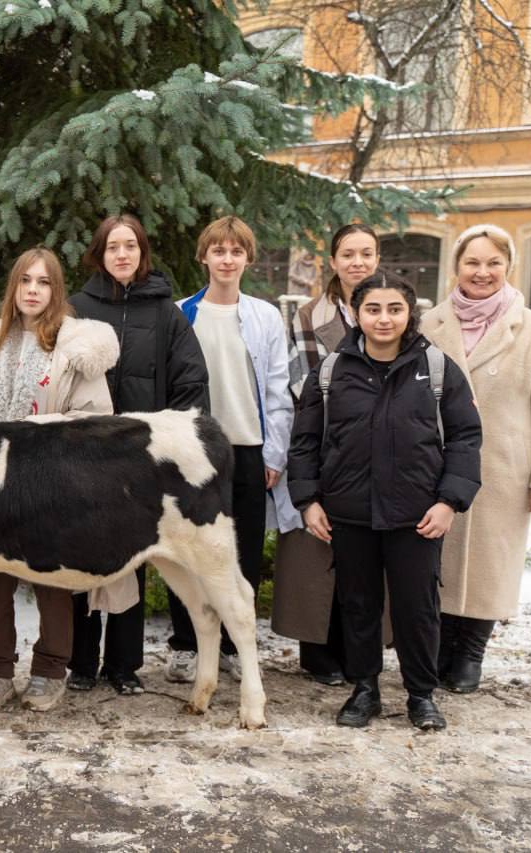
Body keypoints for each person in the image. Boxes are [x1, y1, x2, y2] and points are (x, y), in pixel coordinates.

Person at [288, 273, 482, 731]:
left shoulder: (437, 368)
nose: (384, 319)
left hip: (418, 514)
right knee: (358, 604)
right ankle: (364, 690)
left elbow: (465, 437)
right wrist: (308, 500)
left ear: (409, 314)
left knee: (417, 608)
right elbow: (305, 441)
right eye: (373, 309)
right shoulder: (331, 372)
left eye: (395, 309)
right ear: (356, 314)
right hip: (349, 511)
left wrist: (449, 502)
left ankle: (421, 695)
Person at [0, 247, 119, 713]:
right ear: (13, 287)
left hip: (51, 485)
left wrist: (36, 431)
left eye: (43, 282)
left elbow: (95, 421)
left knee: (52, 580)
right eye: (25, 281)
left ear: (56, 290)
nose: (33, 290)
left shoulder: (75, 348)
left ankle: (50, 669)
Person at [420, 224, 531, 693]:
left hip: (504, 466)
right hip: (437, 464)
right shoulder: (429, 325)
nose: (482, 272)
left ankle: (471, 652)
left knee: (491, 562)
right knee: (438, 557)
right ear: (456, 266)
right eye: (472, 262)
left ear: (509, 266)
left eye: (493, 262)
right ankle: (439, 647)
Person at [65, 213, 211, 695]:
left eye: (130, 246)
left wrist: (172, 445)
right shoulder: (77, 308)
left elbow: (191, 381)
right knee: (84, 554)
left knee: (136, 554)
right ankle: (81, 662)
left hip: (144, 458)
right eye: (113, 247)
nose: (122, 254)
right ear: (99, 254)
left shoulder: (166, 313)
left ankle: (123, 665)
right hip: (87, 455)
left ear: (142, 252)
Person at [170, 216, 295, 682]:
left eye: (236, 251)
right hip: (195, 450)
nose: (227, 259)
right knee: (188, 548)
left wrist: (274, 454)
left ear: (247, 258)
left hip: (247, 449)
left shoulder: (265, 316)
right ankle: (186, 644)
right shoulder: (181, 313)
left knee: (241, 552)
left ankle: (232, 644)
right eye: (218, 250)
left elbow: (278, 389)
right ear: (203, 256)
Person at [272, 223, 382, 685]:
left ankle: (359, 648)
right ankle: (317, 649)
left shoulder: (391, 308)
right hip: (322, 441)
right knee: (316, 547)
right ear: (333, 262)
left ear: (377, 258)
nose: (358, 262)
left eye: (366, 253)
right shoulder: (309, 317)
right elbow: (301, 385)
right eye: (348, 254)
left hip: (382, 448)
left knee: (368, 548)